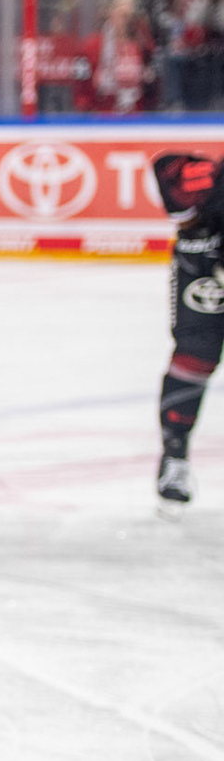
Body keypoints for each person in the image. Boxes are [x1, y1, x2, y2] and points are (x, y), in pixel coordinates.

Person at [150, 152, 224, 514]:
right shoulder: (202, 183)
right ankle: (175, 455)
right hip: (206, 270)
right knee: (196, 355)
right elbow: (167, 167)